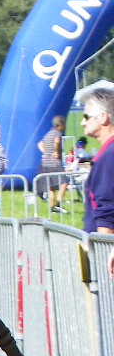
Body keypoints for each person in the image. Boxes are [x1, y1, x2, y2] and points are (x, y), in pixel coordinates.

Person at [79, 89, 114, 276]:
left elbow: (106, 211)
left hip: (105, 254)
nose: (82, 122)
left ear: (103, 118)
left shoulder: (109, 155)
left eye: (87, 116)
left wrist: (103, 252)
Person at [36, 113, 68, 212]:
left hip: (45, 162)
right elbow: (57, 141)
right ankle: (59, 202)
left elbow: (40, 144)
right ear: (61, 125)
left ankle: (52, 207)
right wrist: (57, 152)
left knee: (51, 186)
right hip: (54, 162)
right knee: (64, 182)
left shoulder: (48, 133)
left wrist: (45, 152)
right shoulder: (57, 133)